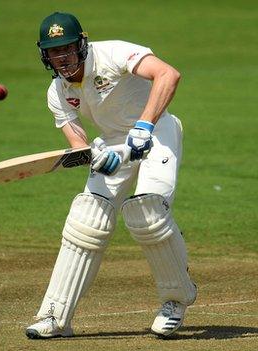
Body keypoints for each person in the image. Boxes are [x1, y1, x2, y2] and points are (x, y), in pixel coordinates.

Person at [25, 12, 197, 339]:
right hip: (114, 142)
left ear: (81, 45)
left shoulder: (114, 53)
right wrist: (96, 156)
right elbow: (78, 143)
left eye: (67, 48)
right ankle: (55, 316)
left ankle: (176, 299)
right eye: (54, 51)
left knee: (146, 212)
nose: (62, 58)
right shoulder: (57, 92)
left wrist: (145, 125)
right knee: (86, 219)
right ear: (45, 55)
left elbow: (168, 74)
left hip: (157, 131)